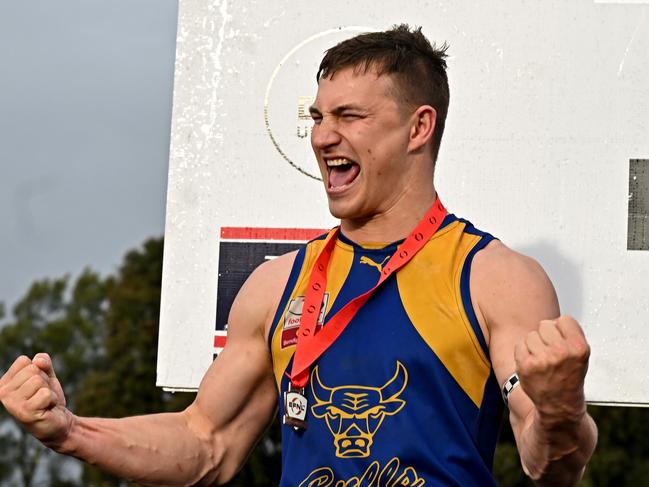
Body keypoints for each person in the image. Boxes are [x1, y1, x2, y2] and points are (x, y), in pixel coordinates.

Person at [0, 25, 596, 486]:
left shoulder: (494, 278)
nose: (321, 136)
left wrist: (560, 408)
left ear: (419, 128)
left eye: (348, 116)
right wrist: (72, 431)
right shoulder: (277, 284)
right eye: (317, 117)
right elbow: (206, 444)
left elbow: (551, 464)